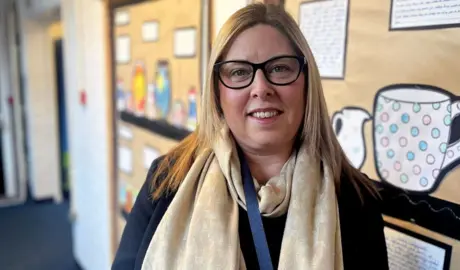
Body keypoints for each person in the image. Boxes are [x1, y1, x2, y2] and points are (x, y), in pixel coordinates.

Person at [112, 3, 389, 270]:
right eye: (239, 72)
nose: (261, 88)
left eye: (279, 68)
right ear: (217, 92)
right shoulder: (167, 182)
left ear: (307, 83)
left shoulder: (356, 200)